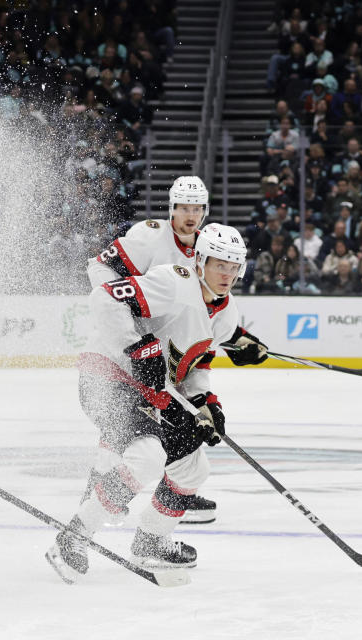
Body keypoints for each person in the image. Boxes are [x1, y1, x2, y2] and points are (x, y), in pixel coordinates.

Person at [46, 224, 246, 583]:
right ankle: (73, 536)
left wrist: (205, 402)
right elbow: (105, 297)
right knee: (146, 459)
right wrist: (134, 345)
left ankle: (151, 541)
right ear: (200, 261)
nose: (227, 274)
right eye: (220, 264)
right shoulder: (174, 281)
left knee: (193, 468)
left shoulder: (226, 311)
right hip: (107, 377)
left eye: (234, 266)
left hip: (153, 392)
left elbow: (195, 363)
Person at [87, 177, 267, 524]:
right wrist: (128, 328)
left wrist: (236, 338)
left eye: (197, 207)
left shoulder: (212, 248)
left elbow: (201, 316)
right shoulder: (149, 236)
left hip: (162, 348)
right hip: (129, 337)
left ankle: (174, 488)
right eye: (184, 206)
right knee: (127, 419)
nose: (191, 214)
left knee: (178, 420)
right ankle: (97, 489)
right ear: (172, 207)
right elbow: (100, 268)